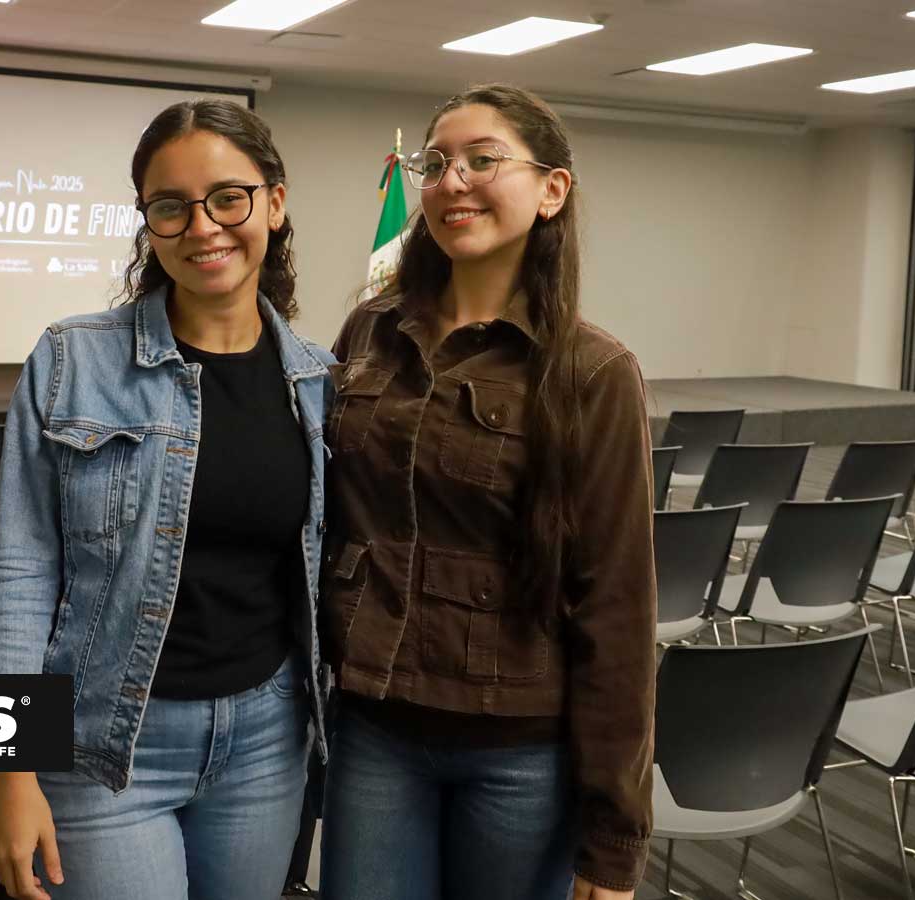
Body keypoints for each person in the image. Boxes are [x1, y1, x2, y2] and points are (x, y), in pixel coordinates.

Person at [0, 98, 334, 900]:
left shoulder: (319, 380)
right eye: (170, 207)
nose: (203, 227)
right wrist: (10, 770)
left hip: (265, 739)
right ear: (148, 222)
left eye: (228, 198)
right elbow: (21, 575)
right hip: (107, 745)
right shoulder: (72, 360)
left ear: (274, 204)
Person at [318, 84, 656, 900]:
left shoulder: (593, 371)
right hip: (375, 727)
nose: (450, 181)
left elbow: (615, 607)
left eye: (482, 160)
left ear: (552, 191)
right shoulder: (371, 332)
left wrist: (614, 836)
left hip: (519, 752)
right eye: (435, 164)